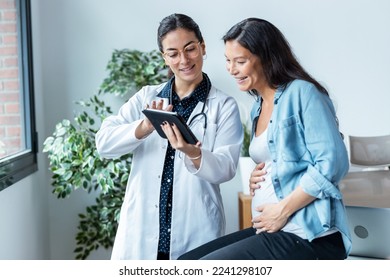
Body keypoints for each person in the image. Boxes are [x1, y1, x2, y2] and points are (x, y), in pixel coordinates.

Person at [178, 18, 352, 260]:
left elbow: (332, 163)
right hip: (274, 228)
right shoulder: (258, 106)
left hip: (308, 234)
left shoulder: (303, 93)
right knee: (185, 262)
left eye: (240, 61)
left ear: (268, 58)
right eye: (228, 61)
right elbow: (283, 158)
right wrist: (262, 173)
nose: (231, 69)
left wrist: (282, 210)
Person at [95, 13, 243, 260]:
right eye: (173, 53)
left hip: (196, 229)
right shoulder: (146, 97)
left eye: (190, 49)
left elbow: (226, 168)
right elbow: (104, 143)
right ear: (165, 58)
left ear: (202, 47)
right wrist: (144, 127)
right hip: (142, 232)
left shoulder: (223, 106)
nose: (183, 60)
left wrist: (193, 153)